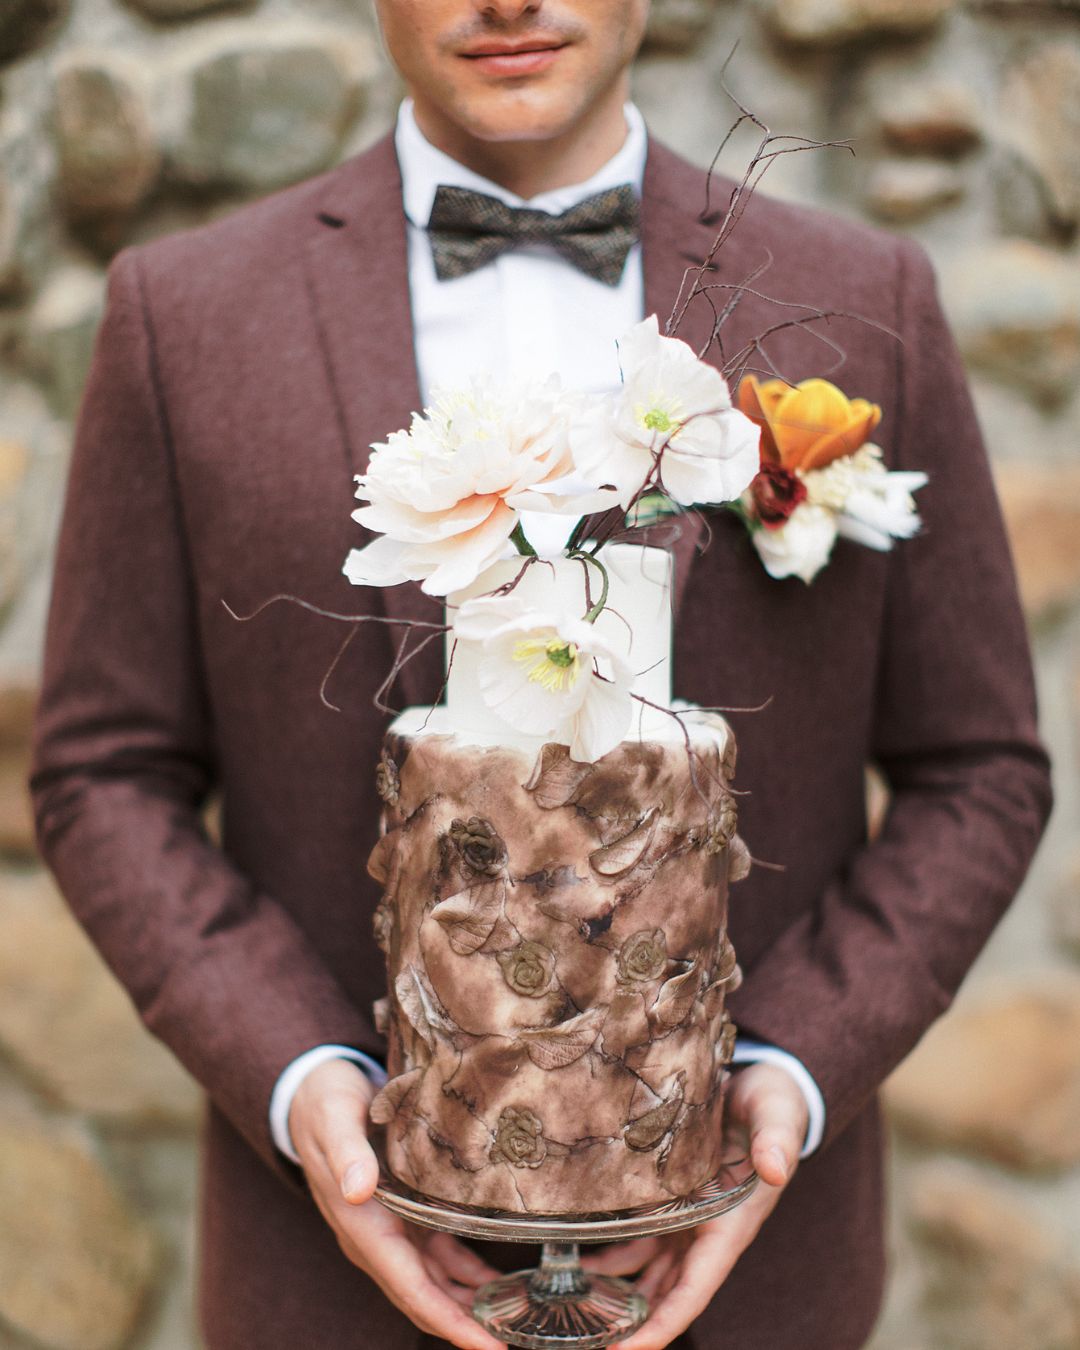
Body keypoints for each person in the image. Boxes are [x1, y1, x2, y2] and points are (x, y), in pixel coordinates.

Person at [29, 2, 1052, 1348]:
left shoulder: (863, 298)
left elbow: (978, 767)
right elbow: (106, 770)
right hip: (322, 1295)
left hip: (758, 1293)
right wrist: (300, 1076)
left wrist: (788, 1067)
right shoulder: (187, 315)